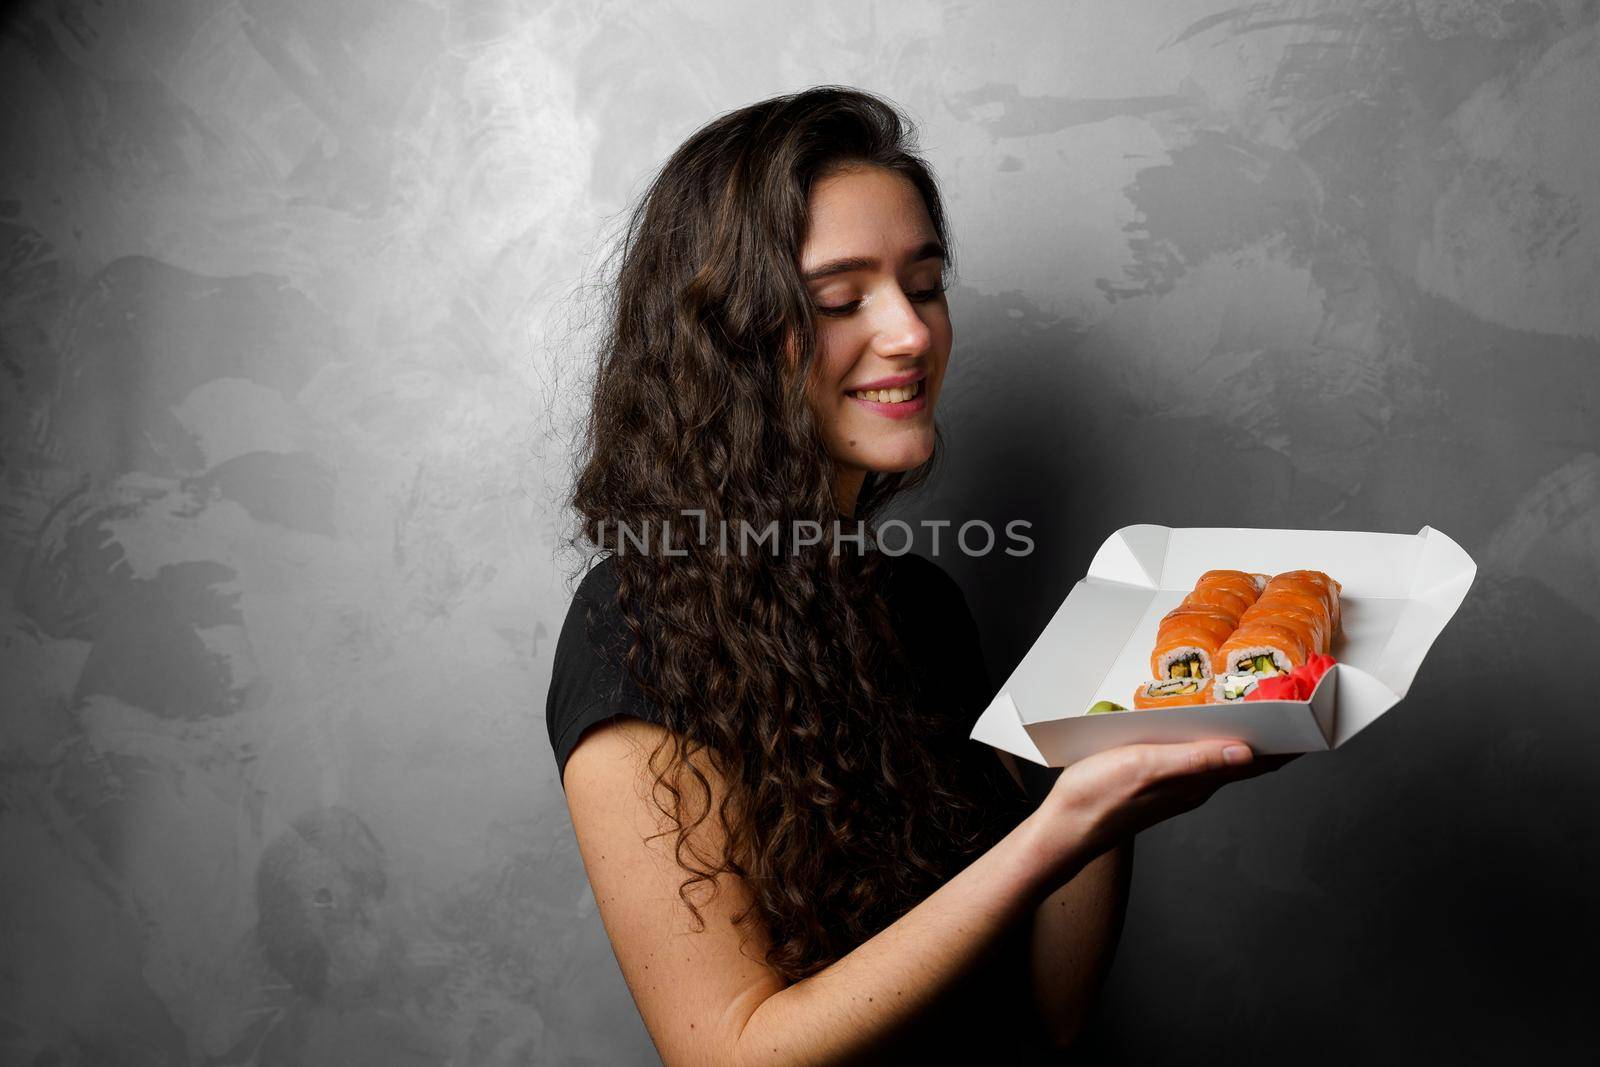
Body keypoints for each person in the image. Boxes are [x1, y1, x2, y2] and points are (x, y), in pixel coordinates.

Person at [546, 85, 1288, 1064]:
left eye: (925, 284)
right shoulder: (631, 630)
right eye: (839, 300)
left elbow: (1042, 1021)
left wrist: (1109, 772)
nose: (908, 334)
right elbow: (731, 1051)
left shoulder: (920, 605)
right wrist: (1052, 830)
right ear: (719, 339)